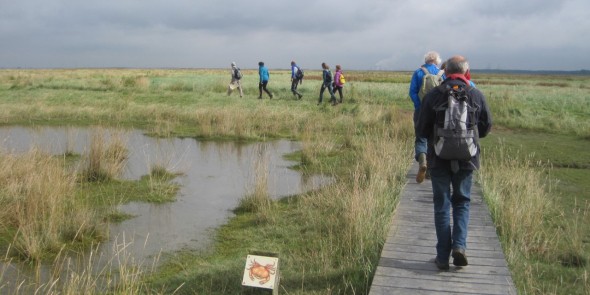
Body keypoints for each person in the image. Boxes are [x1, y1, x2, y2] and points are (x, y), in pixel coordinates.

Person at [416, 55, 492, 271]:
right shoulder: (475, 94)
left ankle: (442, 257)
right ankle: (459, 246)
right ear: (467, 73)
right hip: (467, 159)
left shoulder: (433, 95)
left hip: (438, 159)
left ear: (446, 72)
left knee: (441, 205)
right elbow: (486, 127)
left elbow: (421, 129)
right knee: (462, 202)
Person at [409, 51, 443, 183]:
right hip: (437, 113)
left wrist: (419, 107)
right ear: (437, 61)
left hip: (421, 111)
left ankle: (422, 159)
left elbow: (412, 92)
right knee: (434, 140)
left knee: (420, 138)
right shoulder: (441, 74)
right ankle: (429, 170)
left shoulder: (418, 72)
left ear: (426, 60)